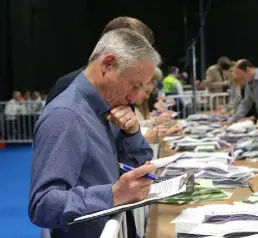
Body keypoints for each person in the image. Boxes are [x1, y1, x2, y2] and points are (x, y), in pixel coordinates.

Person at [29, 29, 161, 238]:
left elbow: (139, 166)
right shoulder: (66, 116)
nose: (135, 97)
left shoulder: (108, 107)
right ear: (107, 64)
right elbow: (43, 206)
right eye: (134, 85)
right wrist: (113, 195)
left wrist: (132, 133)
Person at [45, 16, 154, 106]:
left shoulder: (126, 92)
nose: (132, 99)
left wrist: (131, 132)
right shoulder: (66, 87)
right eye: (139, 48)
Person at [224, 59, 258, 125]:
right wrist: (231, 121)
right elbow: (245, 104)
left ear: (248, 70)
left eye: (239, 74)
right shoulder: (249, 82)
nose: (238, 77)